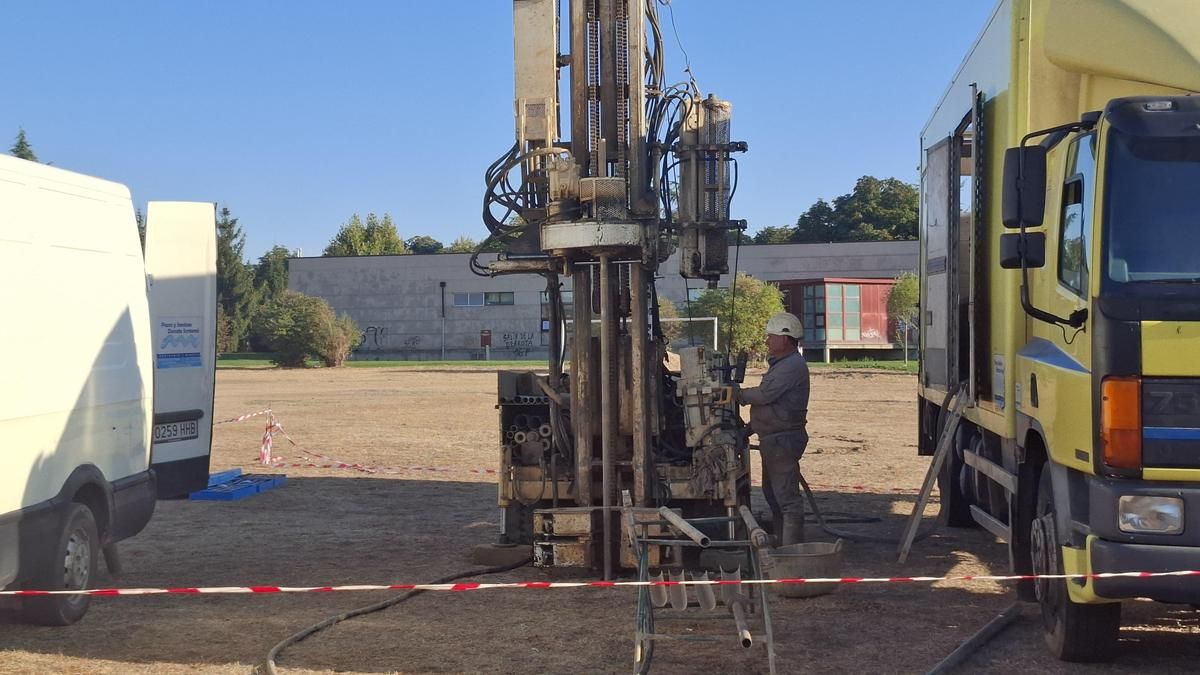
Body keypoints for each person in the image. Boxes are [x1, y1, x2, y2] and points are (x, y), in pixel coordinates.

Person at [737, 312, 810, 546]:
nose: (767, 341)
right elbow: (773, 405)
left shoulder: (791, 365)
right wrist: (750, 428)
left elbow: (766, 395)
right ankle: (782, 543)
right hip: (774, 439)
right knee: (773, 495)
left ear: (785, 339)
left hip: (783, 440)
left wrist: (735, 394)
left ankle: (791, 552)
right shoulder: (783, 364)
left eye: (771, 336)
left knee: (787, 500)